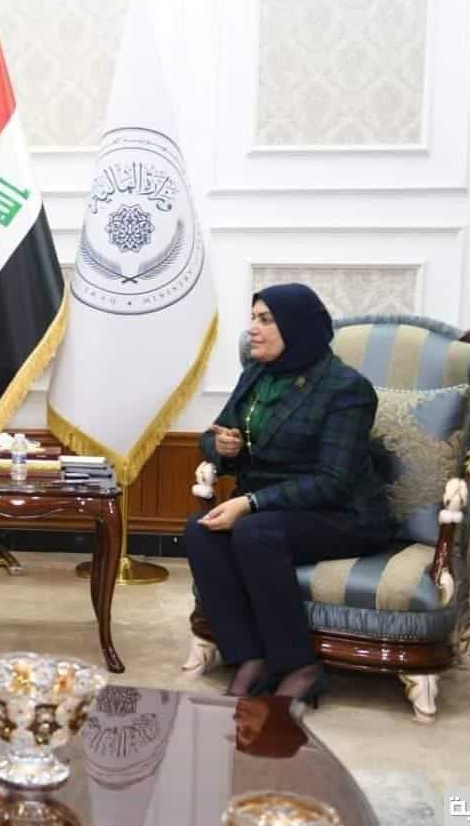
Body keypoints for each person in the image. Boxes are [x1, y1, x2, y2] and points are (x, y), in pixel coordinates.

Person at [183, 283, 394, 704]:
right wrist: (224, 448)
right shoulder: (256, 374)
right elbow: (213, 436)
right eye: (253, 319)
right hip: (271, 511)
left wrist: (251, 503)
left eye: (265, 320)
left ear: (296, 328)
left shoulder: (345, 388)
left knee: (254, 533)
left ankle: (300, 666)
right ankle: (249, 656)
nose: (253, 329)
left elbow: (333, 480)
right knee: (200, 530)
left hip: (343, 514)